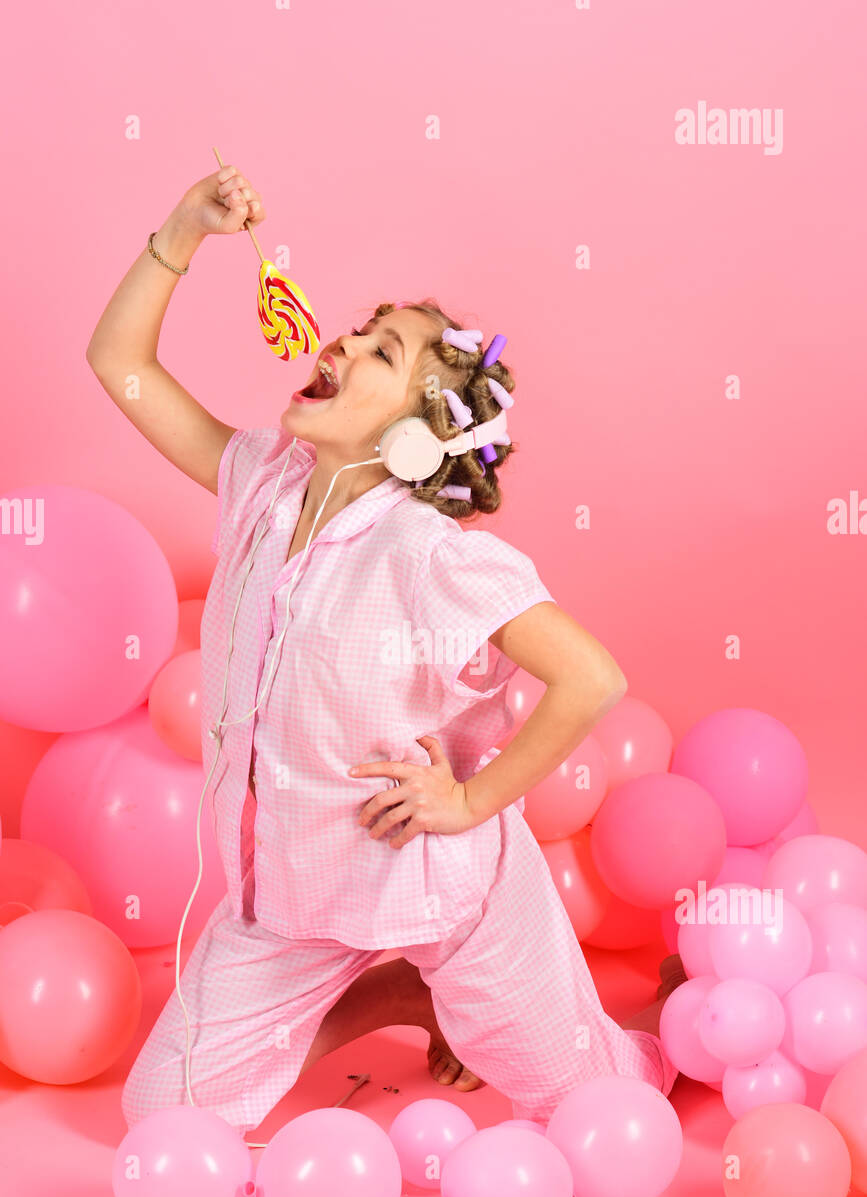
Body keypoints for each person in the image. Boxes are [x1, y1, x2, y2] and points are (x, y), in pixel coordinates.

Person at [87, 162, 684, 1137]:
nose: (341, 342)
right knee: (162, 1115)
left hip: (438, 887)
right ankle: (393, 996)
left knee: (610, 1101)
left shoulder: (428, 554)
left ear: (416, 439)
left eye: (380, 352)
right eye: (358, 331)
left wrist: (471, 800)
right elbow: (119, 363)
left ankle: (655, 1005)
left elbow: (591, 675)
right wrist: (183, 231)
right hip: (289, 898)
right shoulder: (263, 486)